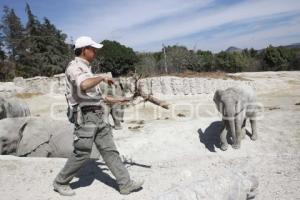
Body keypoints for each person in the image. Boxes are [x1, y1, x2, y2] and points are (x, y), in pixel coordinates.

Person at [53, 36, 143, 196]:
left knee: (110, 150)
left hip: (99, 114)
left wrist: (120, 99)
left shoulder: (87, 69)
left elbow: (99, 97)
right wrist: (102, 77)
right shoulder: (74, 68)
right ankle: (60, 182)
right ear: (84, 50)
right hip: (86, 116)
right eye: (92, 49)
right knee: (82, 152)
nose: (95, 52)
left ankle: (125, 184)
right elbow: (83, 85)